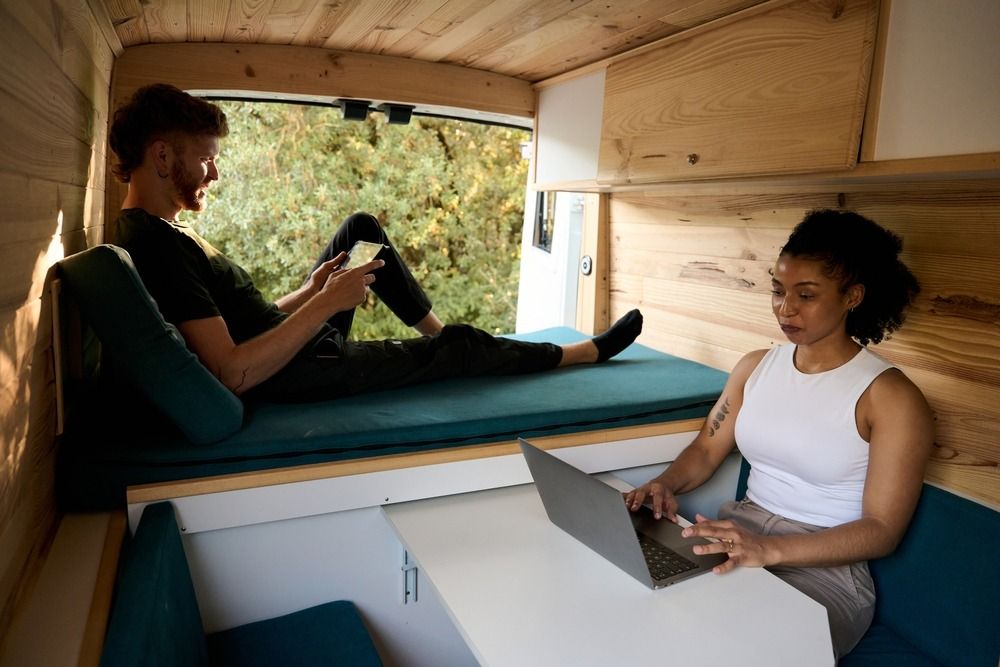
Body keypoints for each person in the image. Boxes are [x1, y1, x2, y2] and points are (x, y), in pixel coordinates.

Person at [107, 83, 643, 402]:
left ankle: (435, 335)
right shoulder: (155, 246)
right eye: (205, 157)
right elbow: (234, 371)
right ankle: (582, 353)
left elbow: (241, 324)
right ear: (160, 157)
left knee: (360, 228)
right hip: (294, 373)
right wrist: (323, 307)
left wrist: (308, 292)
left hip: (290, 344)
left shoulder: (165, 231)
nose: (213, 173)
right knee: (463, 348)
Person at [625, 209, 933, 659]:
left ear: (854, 296)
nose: (785, 308)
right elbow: (708, 448)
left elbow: (882, 530)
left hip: (825, 572)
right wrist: (663, 484)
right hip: (738, 537)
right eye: (777, 290)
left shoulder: (890, 397)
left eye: (805, 295)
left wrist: (768, 550)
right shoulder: (755, 367)